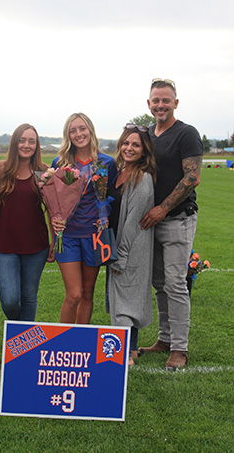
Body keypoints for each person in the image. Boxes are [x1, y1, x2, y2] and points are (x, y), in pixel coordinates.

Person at [139, 79, 203, 370]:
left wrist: (163, 209)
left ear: (175, 103)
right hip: (150, 221)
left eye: (166, 100)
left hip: (177, 218)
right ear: (148, 104)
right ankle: (164, 339)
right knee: (159, 283)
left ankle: (179, 348)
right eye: (156, 100)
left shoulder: (186, 133)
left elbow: (192, 178)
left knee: (176, 284)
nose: (160, 105)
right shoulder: (147, 135)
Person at [51, 113, 117, 324]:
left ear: (90, 130)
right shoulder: (60, 162)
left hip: (94, 236)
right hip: (67, 236)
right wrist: (54, 218)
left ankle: (79, 341)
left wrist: (105, 218)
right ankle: (63, 341)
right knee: (74, 294)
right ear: (67, 135)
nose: (78, 134)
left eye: (82, 128)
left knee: (88, 293)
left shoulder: (107, 163)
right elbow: (51, 199)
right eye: (73, 130)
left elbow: (113, 198)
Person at [0, 124, 55, 321]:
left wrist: (54, 241)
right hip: (3, 245)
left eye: (32, 141)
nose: (26, 145)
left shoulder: (44, 172)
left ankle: (24, 346)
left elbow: (54, 209)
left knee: (28, 297)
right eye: (22, 140)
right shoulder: (0, 169)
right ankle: (20, 330)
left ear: (37, 145)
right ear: (14, 142)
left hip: (36, 245)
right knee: (9, 299)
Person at [107, 124, 157, 366]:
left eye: (135, 145)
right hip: (115, 243)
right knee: (125, 297)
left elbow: (133, 222)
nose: (129, 148)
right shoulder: (118, 172)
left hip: (131, 247)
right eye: (126, 143)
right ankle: (132, 349)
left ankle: (124, 354)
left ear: (144, 151)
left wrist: (122, 255)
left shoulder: (143, 178)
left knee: (126, 299)